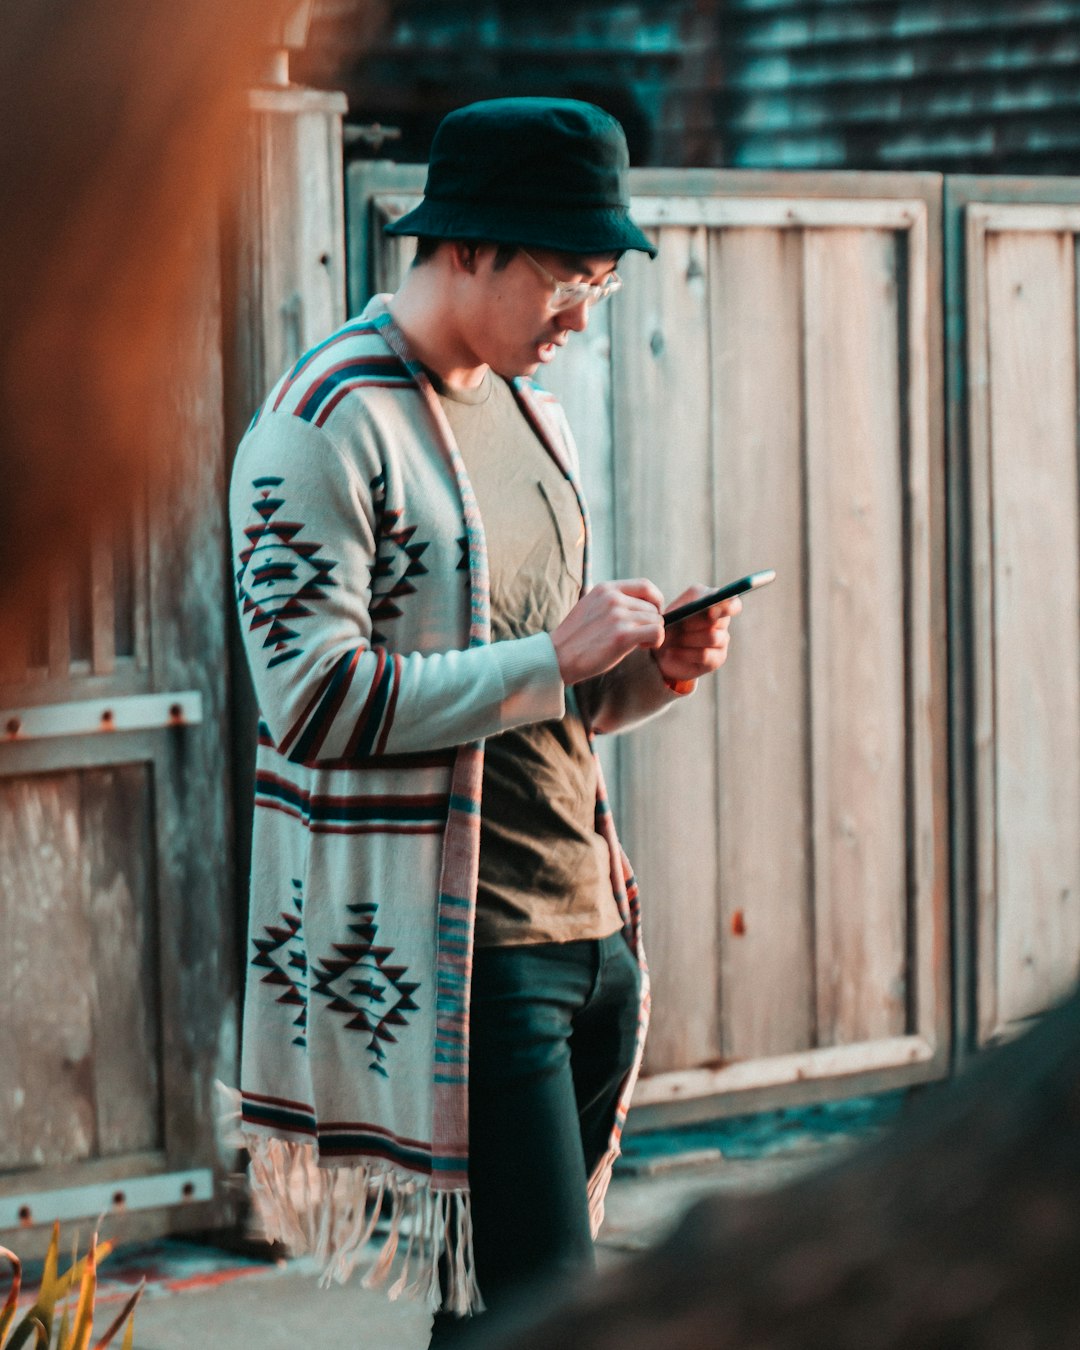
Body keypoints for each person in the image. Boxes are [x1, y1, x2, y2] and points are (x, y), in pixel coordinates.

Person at [226, 97, 740, 1342]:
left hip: (590, 923)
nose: (581, 312)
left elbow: (538, 691)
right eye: (567, 276)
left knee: (499, 1316)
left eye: (601, 284)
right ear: (467, 247)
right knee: (547, 1310)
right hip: (463, 954)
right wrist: (551, 653)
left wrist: (644, 671)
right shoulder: (321, 422)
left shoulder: (530, 413)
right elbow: (312, 700)